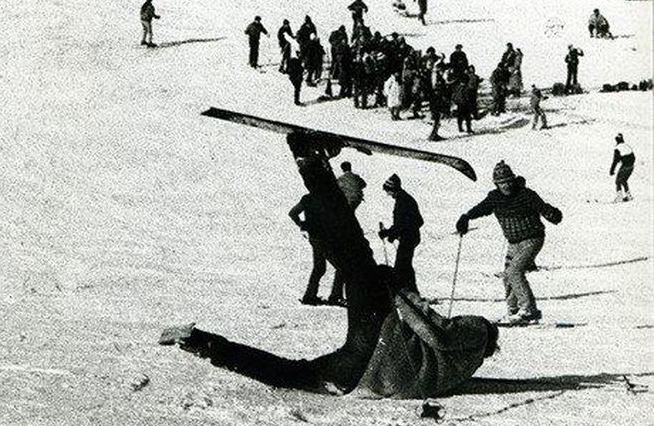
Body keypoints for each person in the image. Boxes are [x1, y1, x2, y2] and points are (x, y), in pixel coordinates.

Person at [160, 131, 498, 398]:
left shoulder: (474, 333)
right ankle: (201, 342)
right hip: (355, 378)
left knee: (355, 253)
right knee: (289, 373)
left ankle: (310, 160)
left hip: (376, 338)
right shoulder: (461, 370)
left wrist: (397, 291)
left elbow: (433, 329)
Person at [456, 161, 562, 324]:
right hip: (514, 242)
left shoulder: (525, 194)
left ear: (513, 180)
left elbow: (542, 207)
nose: (506, 186)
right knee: (507, 276)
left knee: (514, 272)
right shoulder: (495, 198)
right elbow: (481, 208)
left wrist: (551, 213)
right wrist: (466, 217)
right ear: (496, 184)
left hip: (532, 239)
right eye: (502, 183)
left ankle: (529, 310)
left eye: (508, 181)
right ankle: (514, 311)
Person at [327, 162, 367, 306]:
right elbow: (364, 184)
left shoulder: (341, 179)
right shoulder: (355, 176)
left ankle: (336, 295)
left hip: (347, 205)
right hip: (356, 201)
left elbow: (334, 187)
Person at [379, 174, 424, 292]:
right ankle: (411, 290)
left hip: (408, 238)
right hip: (410, 237)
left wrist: (390, 233)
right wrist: (392, 233)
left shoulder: (403, 201)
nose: (388, 194)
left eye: (388, 191)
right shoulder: (403, 198)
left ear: (393, 189)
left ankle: (399, 291)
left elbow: (404, 222)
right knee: (406, 264)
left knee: (401, 265)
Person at [289, 192, 330, 305]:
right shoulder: (327, 198)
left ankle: (310, 295)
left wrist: (302, 224)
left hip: (314, 235)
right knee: (324, 267)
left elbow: (293, 213)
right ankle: (310, 295)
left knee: (319, 267)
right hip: (326, 236)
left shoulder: (307, 198)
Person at [609, 133, 635, 202]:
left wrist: (612, 170)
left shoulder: (618, 148)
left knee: (618, 181)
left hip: (625, 166)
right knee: (624, 180)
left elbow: (615, 161)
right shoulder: (627, 146)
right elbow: (633, 157)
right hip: (631, 166)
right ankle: (628, 195)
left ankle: (619, 196)